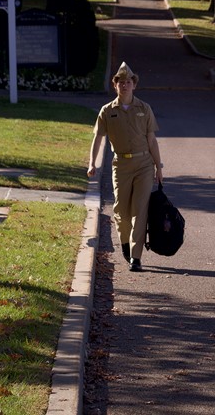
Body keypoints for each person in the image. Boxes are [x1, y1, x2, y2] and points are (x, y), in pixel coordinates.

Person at [87, 62, 164, 272]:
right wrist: (92, 163)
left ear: (134, 85)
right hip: (120, 164)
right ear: (115, 85)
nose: (125, 85)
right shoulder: (107, 111)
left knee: (140, 209)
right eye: (121, 82)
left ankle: (136, 257)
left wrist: (159, 168)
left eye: (128, 82)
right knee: (121, 210)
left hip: (144, 165)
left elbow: (152, 140)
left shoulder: (144, 109)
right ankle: (125, 244)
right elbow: (98, 138)